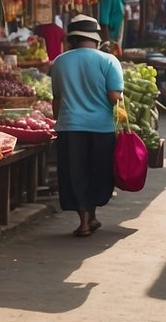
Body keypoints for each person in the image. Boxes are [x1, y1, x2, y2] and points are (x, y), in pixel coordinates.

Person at [51, 15, 124, 237]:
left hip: (70, 126)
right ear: (96, 39)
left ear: (72, 39)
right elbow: (114, 97)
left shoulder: (60, 61)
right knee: (97, 172)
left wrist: (58, 121)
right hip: (101, 128)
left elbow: (57, 98)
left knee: (76, 173)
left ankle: (85, 220)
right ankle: (90, 218)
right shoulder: (109, 61)